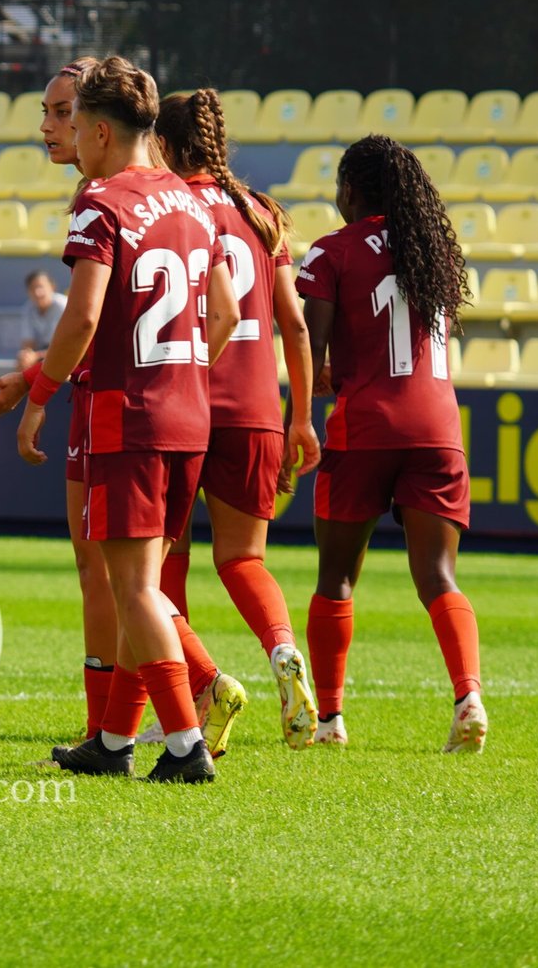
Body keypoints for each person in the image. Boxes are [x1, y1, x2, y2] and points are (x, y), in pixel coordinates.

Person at [0, 59, 235, 758]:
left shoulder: (102, 201)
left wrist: (36, 393)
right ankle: (114, 738)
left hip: (128, 415)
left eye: (75, 125)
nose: (68, 139)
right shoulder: (194, 200)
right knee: (137, 581)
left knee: (133, 587)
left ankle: (184, 743)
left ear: (103, 131)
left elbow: (81, 317)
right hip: (189, 413)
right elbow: (226, 310)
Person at [296, 134, 487, 753]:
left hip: (366, 429)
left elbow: (312, 355)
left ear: (351, 189)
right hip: (437, 429)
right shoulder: (432, 251)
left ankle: (329, 720)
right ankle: (468, 698)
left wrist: (319, 382)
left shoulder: (332, 252)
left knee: (336, 578)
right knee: (436, 573)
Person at [152, 88, 322, 750]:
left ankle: (198, 692)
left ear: (163, 144)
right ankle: (282, 652)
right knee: (245, 559)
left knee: (158, 567)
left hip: (180, 403)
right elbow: (297, 326)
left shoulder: (169, 207)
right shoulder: (262, 213)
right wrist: (302, 419)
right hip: (257, 409)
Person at [17, 269, 66, 370]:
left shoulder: (63, 306)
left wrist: (36, 356)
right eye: (32, 288)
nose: (37, 293)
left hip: (67, 354)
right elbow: (27, 343)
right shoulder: (28, 309)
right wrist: (26, 355)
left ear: (52, 287)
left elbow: (68, 347)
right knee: (22, 362)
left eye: (40, 287)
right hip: (44, 353)